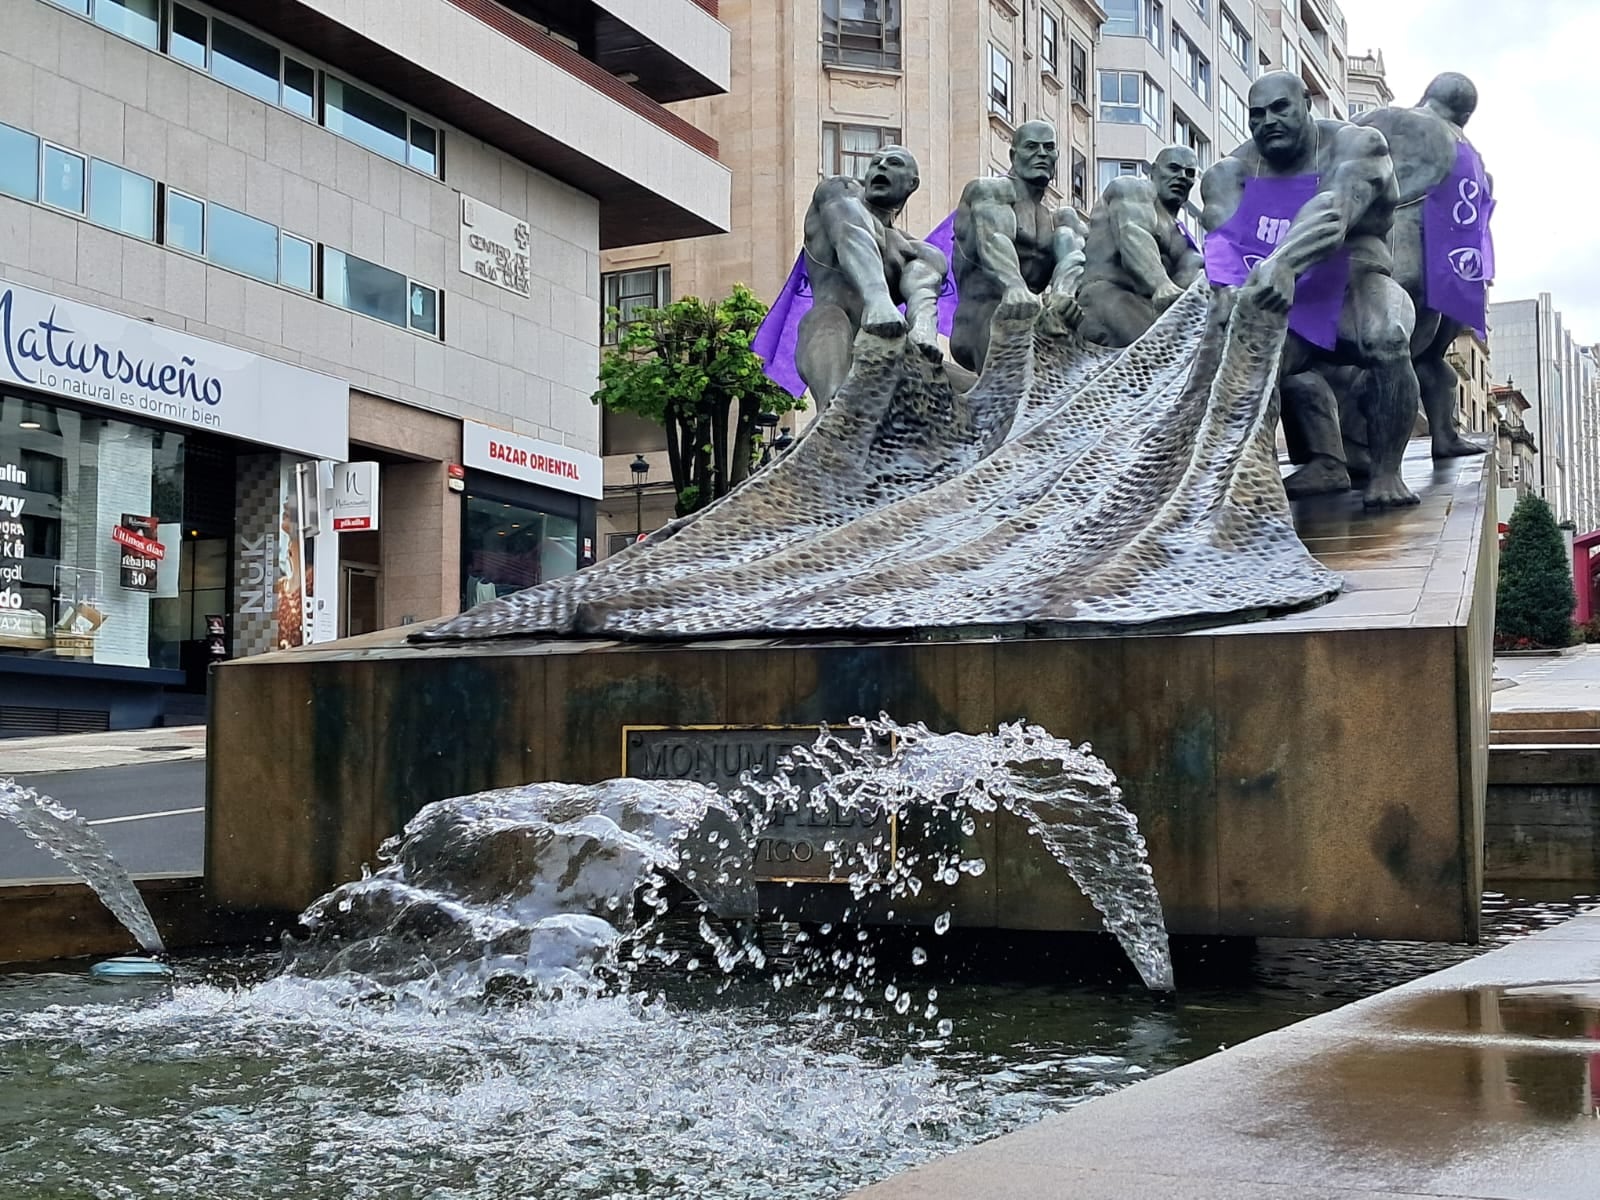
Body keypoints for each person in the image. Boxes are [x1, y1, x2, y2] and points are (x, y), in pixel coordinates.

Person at [1201, 70, 1420, 508]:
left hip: (1352, 279)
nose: (1268, 121)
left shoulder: (1358, 145)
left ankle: (1386, 473)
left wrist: (1284, 262)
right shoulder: (1231, 171)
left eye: (1280, 108)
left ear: (1306, 104)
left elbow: (1334, 210)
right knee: (1244, 366)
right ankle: (1316, 464)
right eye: (1256, 114)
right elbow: (1221, 240)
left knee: (1388, 336)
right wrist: (1229, 296)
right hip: (1277, 298)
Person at [1354, 72, 1492, 461]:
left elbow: (1336, 148)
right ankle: (1444, 435)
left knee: (1384, 353)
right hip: (1454, 271)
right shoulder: (1471, 152)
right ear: (1465, 113)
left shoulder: (1392, 119)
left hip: (1403, 250)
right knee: (1431, 357)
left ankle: (1375, 453)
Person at [793, 145, 947, 410]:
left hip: (886, 350)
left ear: (913, 184)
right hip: (831, 332)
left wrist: (923, 330)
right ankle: (834, 416)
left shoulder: (919, 251)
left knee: (973, 397)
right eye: (876, 162)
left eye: (893, 162)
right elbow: (851, 234)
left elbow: (923, 288)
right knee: (830, 321)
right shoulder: (838, 192)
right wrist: (878, 300)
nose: (881, 166)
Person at [950, 121, 1085, 373]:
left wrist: (1064, 295)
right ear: (1013, 155)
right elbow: (994, 238)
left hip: (1038, 322)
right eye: (1032, 147)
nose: (1042, 154)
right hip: (985, 318)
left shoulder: (1058, 220)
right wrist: (1013, 286)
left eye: (1049, 148)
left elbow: (1077, 258)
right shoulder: (991, 192)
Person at [1075, 146, 1205, 347]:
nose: (1182, 177)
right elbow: (1133, 234)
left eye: (1189, 173)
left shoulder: (1181, 236)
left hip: (1149, 310)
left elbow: (1192, 281)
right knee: (1159, 351)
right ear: (1154, 171)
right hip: (1107, 296)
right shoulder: (1133, 189)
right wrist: (1161, 284)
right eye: (1174, 168)